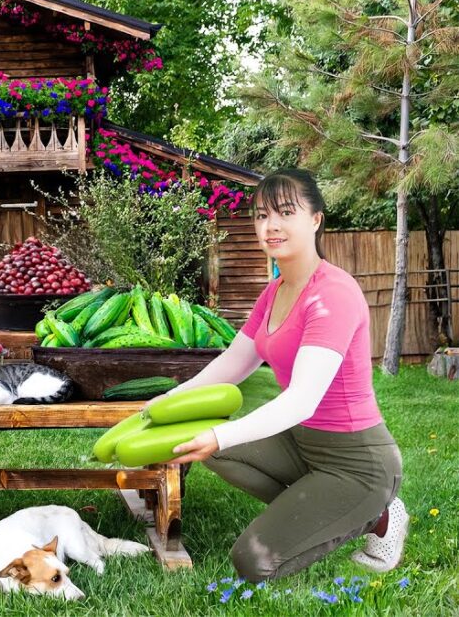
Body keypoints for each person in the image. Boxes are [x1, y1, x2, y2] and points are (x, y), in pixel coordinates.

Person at [155, 168, 405, 581]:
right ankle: (325, 507)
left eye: (285, 212)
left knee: (252, 562)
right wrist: (165, 401)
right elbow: (233, 364)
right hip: (300, 444)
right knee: (199, 444)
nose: (270, 226)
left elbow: (302, 399)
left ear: (315, 219)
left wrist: (220, 434)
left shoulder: (333, 294)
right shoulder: (274, 291)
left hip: (357, 460)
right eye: (261, 215)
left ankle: (375, 513)